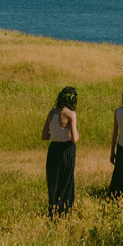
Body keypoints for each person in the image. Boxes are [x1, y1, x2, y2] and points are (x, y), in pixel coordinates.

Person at [41, 86, 79, 217]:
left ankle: (53, 209)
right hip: (66, 150)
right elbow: (74, 138)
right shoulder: (70, 114)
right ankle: (64, 210)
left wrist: (56, 134)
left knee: (54, 180)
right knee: (66, 180)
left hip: (53, 149)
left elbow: (44, 135)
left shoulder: (52, 113)